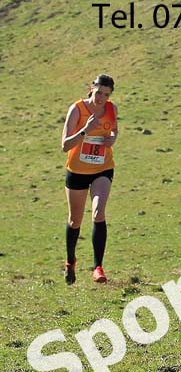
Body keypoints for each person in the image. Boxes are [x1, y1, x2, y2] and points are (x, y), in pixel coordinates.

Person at [61, 74, 118, 284]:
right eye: (98, 93)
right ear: (91, 88)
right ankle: (70, 261)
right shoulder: (77, 109)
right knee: (75, 220)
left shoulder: (112, 109)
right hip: (77, 170)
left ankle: (98, 267)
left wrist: (111, 139)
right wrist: (86, 130)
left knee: (98, 212)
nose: (101, 98)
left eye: (106, 94)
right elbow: (65, 145)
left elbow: (113, 133)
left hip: (102, 168)